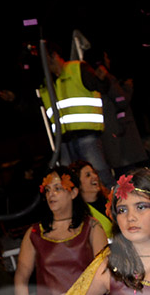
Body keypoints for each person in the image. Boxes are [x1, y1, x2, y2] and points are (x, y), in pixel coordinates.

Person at [40, 41, 116, 188]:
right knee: (69, 183)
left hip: (87, 136)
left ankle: (115, 205)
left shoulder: (77, 68)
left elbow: (100, 86)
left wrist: (102, 78)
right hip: (64, 141)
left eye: (46, 60)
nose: (45, 66)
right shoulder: (46, 83)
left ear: (54, 56)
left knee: (99, 176)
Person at [70, 159, 113, 238]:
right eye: (88, 175)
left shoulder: (109, 199)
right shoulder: (81, 215)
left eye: (94, 172)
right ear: (78, 185)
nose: (95, 176)